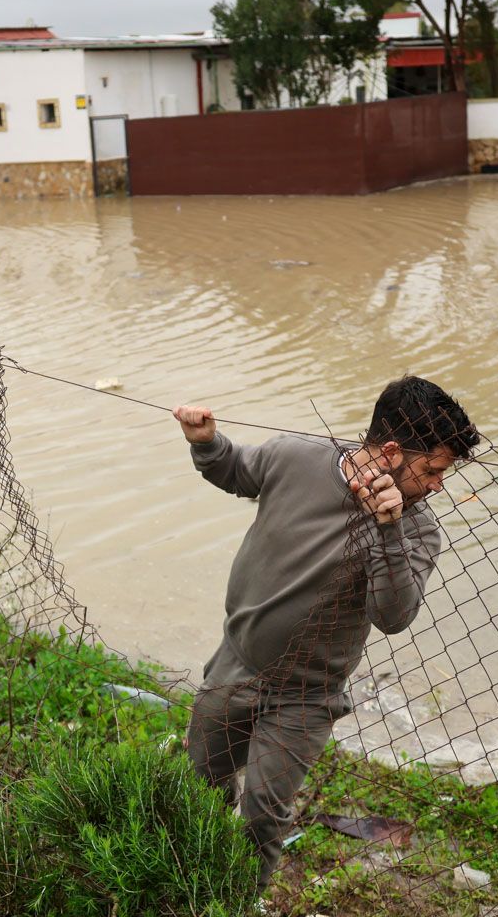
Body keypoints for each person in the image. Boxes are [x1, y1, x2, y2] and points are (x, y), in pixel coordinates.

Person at [171, 376, 480, 888]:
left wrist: (388, 528)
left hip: (307, 696)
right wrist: (206, 443)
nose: (436, 486)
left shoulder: (418, 530)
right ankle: (188, 885)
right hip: (236, 662)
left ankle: (236, 910)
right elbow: (236, 471)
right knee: (202, 783)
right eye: (431, 470)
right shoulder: (294, 457)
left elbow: (394, 616)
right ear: (390, 452)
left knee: (264, 815)